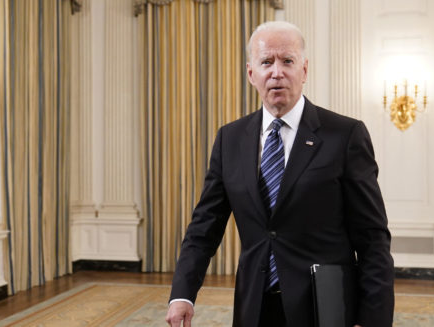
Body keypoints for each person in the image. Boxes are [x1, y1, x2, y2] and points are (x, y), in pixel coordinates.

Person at [166, 21, 394, 327]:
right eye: (266, 62)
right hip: (254, 307)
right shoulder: (229, 139)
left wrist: (373, 320)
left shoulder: (345, 135)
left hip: (324, 307)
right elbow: (204, 227)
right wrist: (182, 294)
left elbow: (372, 238)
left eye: (287, 61)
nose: (277, 72)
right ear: (251, 74)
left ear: (304, 70)